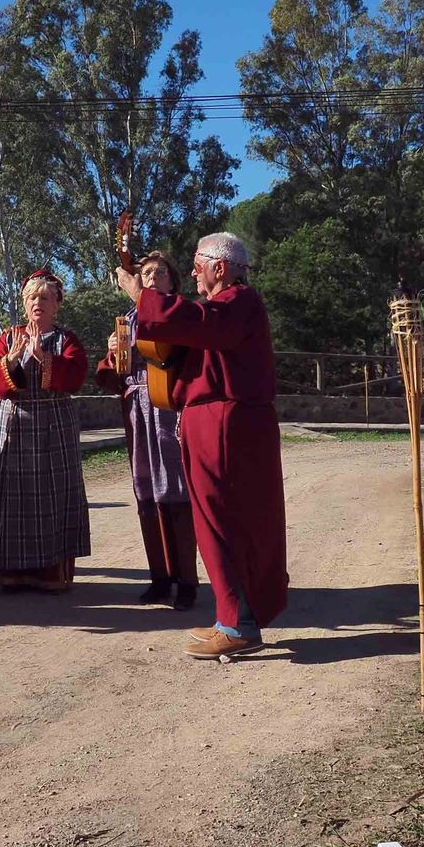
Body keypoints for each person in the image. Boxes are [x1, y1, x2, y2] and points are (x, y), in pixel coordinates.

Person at [116, 232, 288, 660]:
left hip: (227, 423)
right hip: (213, 420)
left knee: (224, 520)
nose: (192, 271)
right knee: (215, 520)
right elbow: (187, 347)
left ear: (221, 267)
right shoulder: (220, 309)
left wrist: (141, 293)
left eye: (198, 262)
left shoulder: (239, 301)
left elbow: (200, 326)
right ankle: (232, 618)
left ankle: (238, 623)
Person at [95, 251, 197, 609]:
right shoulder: (127, 320)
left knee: (176, 489)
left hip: (168, 406)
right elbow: (115, 372)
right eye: (146, 272)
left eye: (160, 272)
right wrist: (112, 354)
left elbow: (176, 349)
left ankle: (187, 580)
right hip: (136, 407)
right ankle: (159, 577)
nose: (152, 276)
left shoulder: (178, 310)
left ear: (172, 280)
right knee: (146, 491)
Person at [0, 269, 90, 593]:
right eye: (32, 298)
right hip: (15, 425)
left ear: (57, 305)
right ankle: (13, 571)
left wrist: (45, 359)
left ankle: (50, 572)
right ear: (24, 303)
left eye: (45, 297)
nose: (37, 303)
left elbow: (75, 376)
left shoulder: (65, 339)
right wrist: (11, 360)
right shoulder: (10, 337)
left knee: (52, 495)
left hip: (54, 427)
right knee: (14, 497)